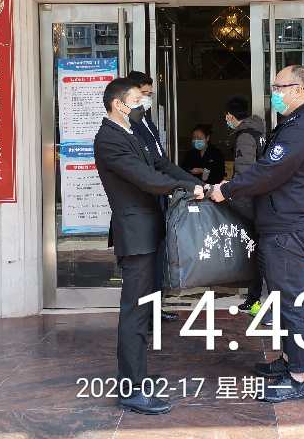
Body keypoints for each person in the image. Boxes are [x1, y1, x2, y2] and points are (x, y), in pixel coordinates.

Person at [210, 65, 304, 403]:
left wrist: (227, 190)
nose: (274, 93)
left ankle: (299, 377)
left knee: (291, 304)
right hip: (281, 225)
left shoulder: (300, 129)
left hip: (290, 229)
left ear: (298, 90)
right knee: (281, 301)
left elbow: (268, 172)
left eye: (279, 87)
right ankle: (289, 360)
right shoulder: (292, 123)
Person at [94, 77, 203, 415]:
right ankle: (130, 388)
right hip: (136, 236)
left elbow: (158, 166)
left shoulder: (131, 132)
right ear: (118, 104)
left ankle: (137, 376)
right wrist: (187, 189)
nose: (142, 105)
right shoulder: (109, 139)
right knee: (135, 312)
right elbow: (148, 179)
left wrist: (197, 184)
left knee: (144, 309)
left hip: (149, 231)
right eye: (136, 100)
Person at [126, 70, 177, 322]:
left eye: (150, 94)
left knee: (158, 260)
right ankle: (145, 315)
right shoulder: (128, 126)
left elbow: (161, 161)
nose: (147, 99)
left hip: (158, 200)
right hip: (143, 203)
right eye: (143, 94)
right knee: (144, 265)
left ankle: (155, 309)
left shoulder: (146, 121)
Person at [224, 95, 267, 314]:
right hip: (261, 199)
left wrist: (227, 191)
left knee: (256, 252)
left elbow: (245, 173)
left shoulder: (244, 137)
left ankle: (255, 298)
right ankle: (254, 297)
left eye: (226, 116)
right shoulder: (258, 132)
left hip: (252, 202)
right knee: (259, 251)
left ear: (230, 116)